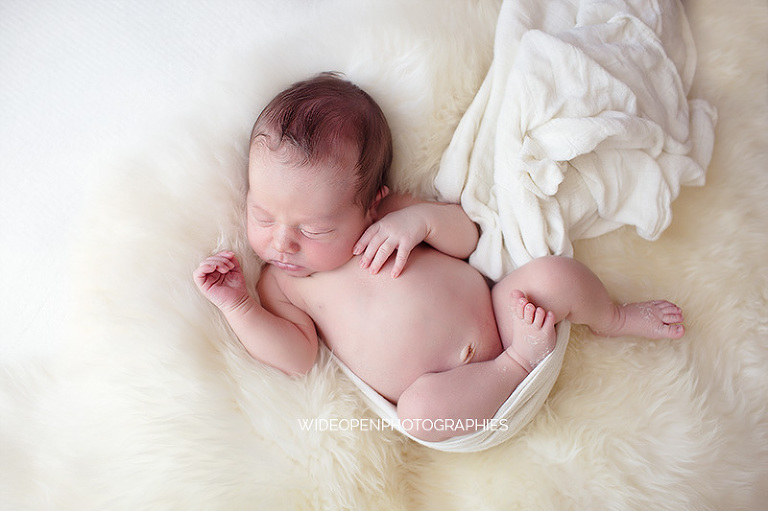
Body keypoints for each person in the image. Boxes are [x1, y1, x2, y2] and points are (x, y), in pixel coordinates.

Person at [193, 73, 685, 442]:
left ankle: (614, 317)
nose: (282, 242)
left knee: (555, 274)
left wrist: (420, 222)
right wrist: (239, 307)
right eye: (262, 215)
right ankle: (517, 364)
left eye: (314, 228)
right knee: (417, 416)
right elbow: (298, 359)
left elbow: (468, 238)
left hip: (508, 314)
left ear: (369, 203)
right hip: (461, 397)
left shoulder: (393, 214)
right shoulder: (282, 283)